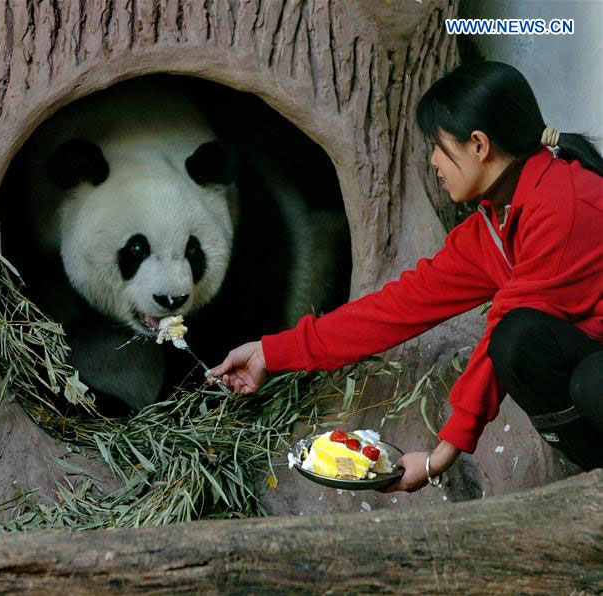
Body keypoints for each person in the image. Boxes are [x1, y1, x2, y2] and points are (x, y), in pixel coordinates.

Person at [209, 61, 603, 492]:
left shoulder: (564, 205)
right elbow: (396, 307)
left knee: (547, 356)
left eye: (437, 146)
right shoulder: (495, 225)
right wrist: (273, 352)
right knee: (532, 349)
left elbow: (506, 328)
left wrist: (441, 455)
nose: (433, 161)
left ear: (478, 145)